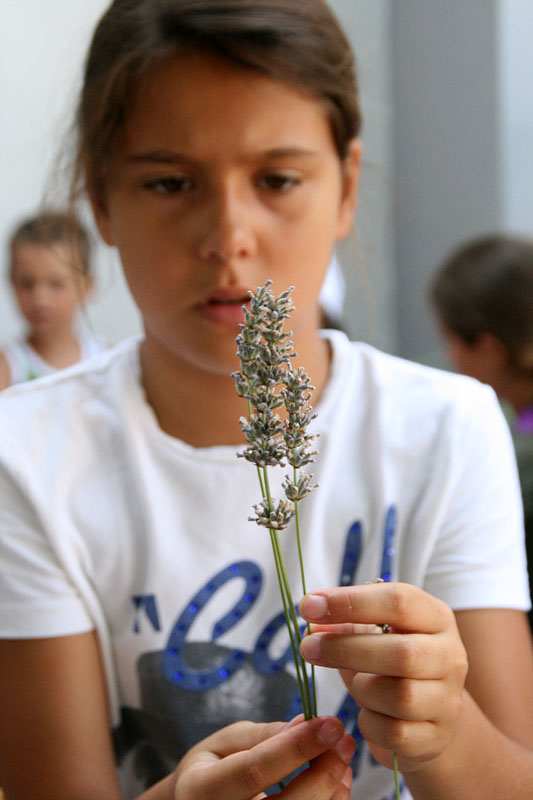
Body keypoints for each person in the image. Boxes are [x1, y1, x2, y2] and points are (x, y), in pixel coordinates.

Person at [0, 2, 532, 799]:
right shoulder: (27, 454)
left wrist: (444, 729)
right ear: (100, 198)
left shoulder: (445, 430)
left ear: (345, 186)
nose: (227, 235)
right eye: (170, 182)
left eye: (277, 179)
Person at [430, 233, 533, 629]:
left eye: (451, 342)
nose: (450, 359)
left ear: (489, 347)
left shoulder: (516, 460)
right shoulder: (516, 425)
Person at [0, 210, 105, 390]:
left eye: (57, 284)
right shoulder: (7, 369)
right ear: (11, 282)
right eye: (26, 284)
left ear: (86, 287)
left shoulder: (106, 361)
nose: (41, 300)